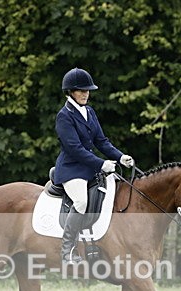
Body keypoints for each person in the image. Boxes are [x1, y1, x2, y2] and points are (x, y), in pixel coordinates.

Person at [53, 67, 134, 264]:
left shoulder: (89, 111)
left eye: (87, 90)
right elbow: (74, 149)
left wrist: (120, 157)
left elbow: (101, 141)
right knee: (81, 201)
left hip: (89, 168)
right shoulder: (64, 116)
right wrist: (101, 164)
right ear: (70, 92)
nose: (85, 94)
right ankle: (67, 250)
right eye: (81, 91)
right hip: (71, 169)